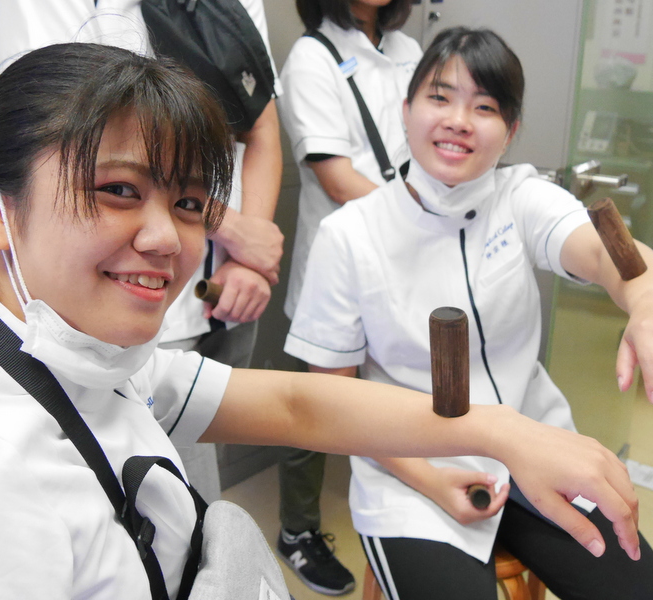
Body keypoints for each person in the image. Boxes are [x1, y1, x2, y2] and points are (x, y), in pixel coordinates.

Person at [0, 42, 645, 599]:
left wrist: (513, 426)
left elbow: (293, 403)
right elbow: (316, 381)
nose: (165, 238)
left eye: (190, 204)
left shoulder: (98, 360)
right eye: (118, 190)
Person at [284, 27, 653, 600]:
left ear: (511, 130)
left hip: (538, 447)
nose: (458, 120)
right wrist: (430, 480)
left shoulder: (521, 196)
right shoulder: (349, 234)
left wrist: (652, 295)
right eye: (440, 97)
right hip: (414, 471)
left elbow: (604, 251)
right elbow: (334, 400)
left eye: (485, 107)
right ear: (406, 110)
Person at [0, 0, 284, 503]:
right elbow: (54, 149)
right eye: (123, 191)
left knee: (189, 505)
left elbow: (260, 125)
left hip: (226, 291)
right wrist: (235, 230)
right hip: (136, 309)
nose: (163, 235)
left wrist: (249, 258)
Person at [275, 0, 420, 593]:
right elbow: (336, 178)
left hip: (408, 257)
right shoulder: (312, 56)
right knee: (316, 409)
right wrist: (421, 221)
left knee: (404, 394)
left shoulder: (409, 51)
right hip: (340, 262)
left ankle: (413, 510)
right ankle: (297, 531)